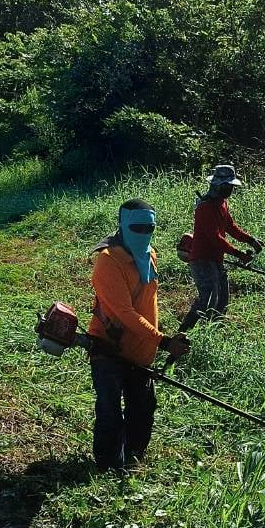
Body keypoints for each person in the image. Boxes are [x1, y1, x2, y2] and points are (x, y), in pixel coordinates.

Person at [88, 199, 190, 471]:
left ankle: (132, 461)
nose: (144, 233)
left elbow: (149, 302)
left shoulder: (150, 255)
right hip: (109, 348)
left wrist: (157, 341)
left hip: (141, 351)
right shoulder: (108, 262)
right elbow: (124, 313)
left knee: (143, 408)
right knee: (110, 410)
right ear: (122, 225)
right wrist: (163, 341)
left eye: (149, 228)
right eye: (138, 228)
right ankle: (107, 467)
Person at [182, 163, 263, 329]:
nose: (230, 190)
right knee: (208, 300)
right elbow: (215, 238)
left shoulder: (222, 204)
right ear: (217, 185)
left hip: (216, 259)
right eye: (227, 186)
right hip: (202, 260)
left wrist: (250, 240)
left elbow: (230, 227)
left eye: (231, 186)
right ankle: (182, 334)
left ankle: (212, 332)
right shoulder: (205, 208)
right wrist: (239, 253)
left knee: (222, 299)